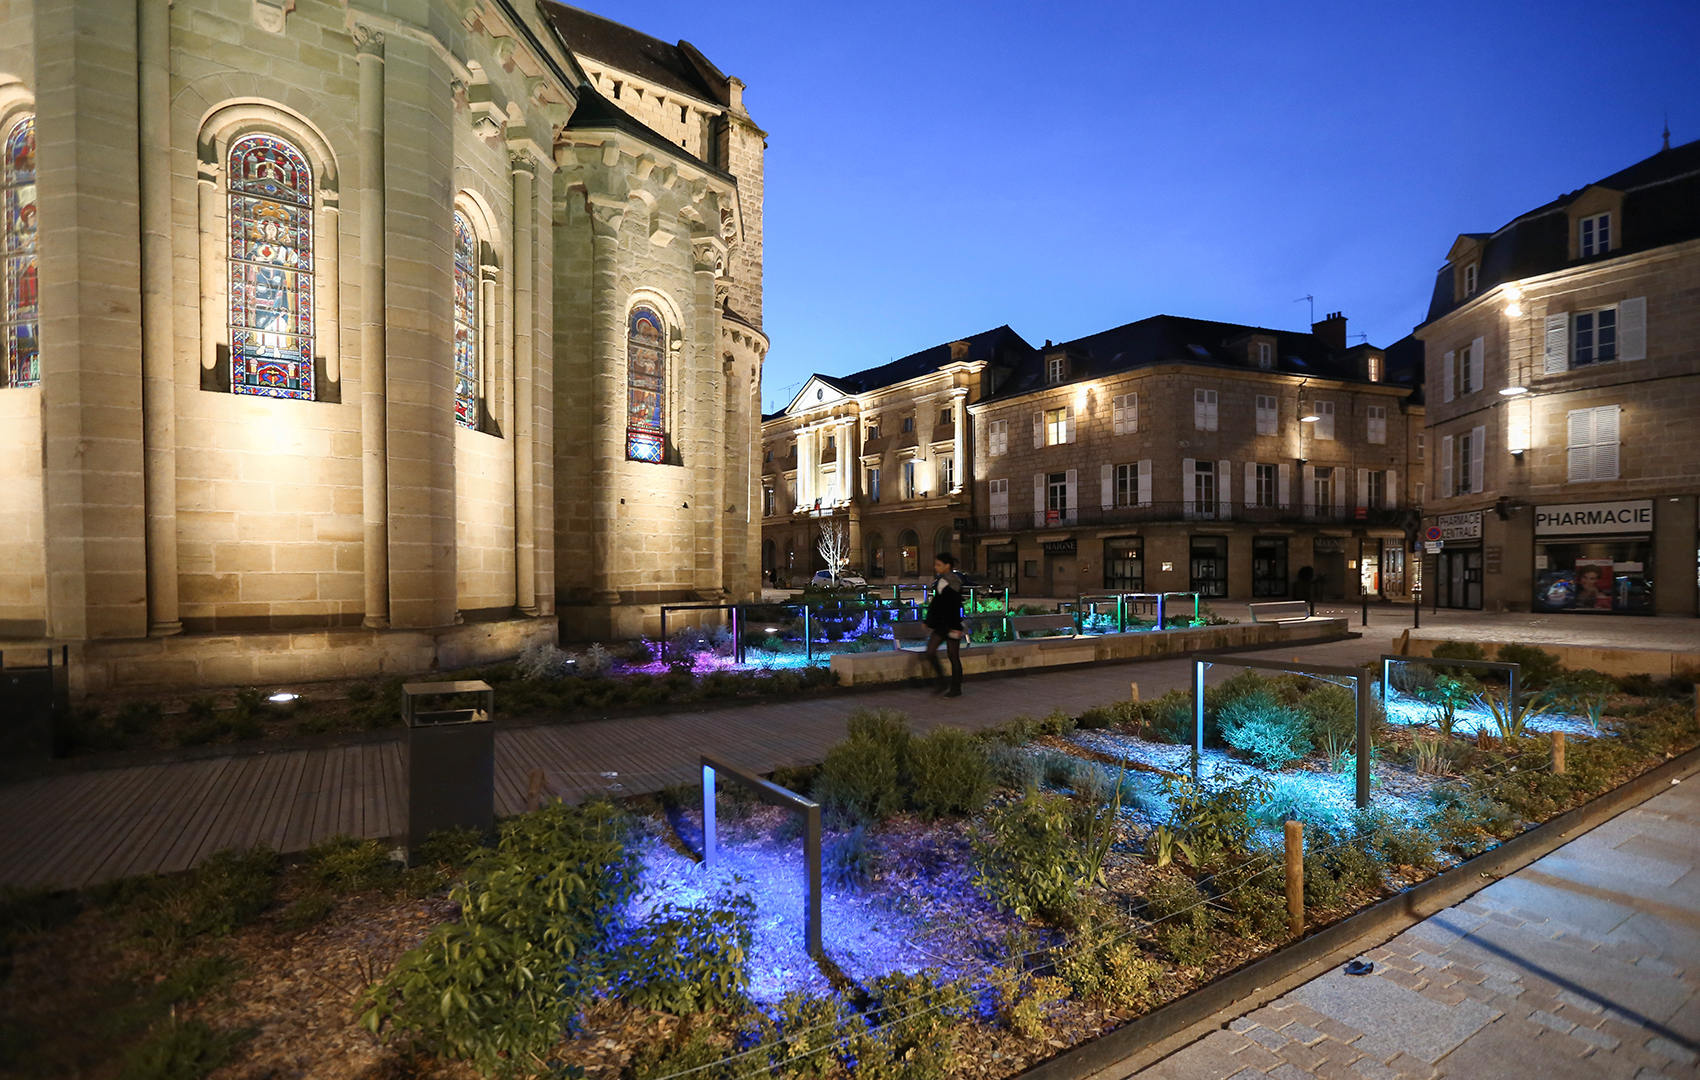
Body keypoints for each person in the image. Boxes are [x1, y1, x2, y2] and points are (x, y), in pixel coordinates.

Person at [923, 552, 965, 697]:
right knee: (930, 652)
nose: (936, 567)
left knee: (953, 656)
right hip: (941, 625)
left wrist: (955, 626)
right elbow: (936, 604)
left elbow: (954, 606)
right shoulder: (941, 581)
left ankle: (956, 688)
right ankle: (942, 683)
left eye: (939, 565)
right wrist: (928, 621)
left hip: (951, 624)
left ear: (947, 566)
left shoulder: (953, 582)